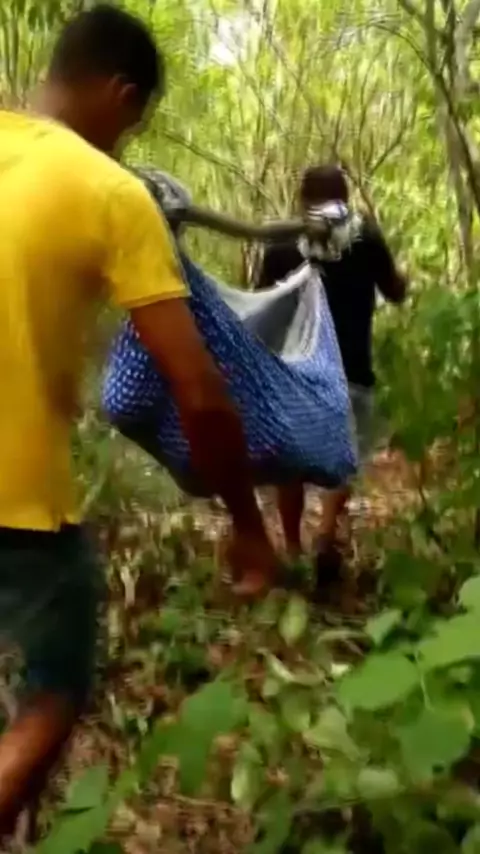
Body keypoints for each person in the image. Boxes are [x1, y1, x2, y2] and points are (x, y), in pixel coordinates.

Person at [0, 3, 277, 836]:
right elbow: (199, 390)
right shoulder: (110, 193)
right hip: (17, 497)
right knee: (54, 687)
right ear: (122, 95)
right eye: (137, 121)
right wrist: (247, 526)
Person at [257, 164, 407, 586]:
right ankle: (325, 533)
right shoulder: (366, 238)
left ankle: (292, 548)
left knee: (290, 463)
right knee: (347, 456)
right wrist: (403, 281)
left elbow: (263, 307)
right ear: (345, 198)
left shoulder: (282, 244)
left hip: (294, 372)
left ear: (303, 200)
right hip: (351, 371)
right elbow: (395, 291)